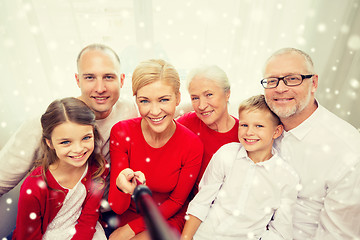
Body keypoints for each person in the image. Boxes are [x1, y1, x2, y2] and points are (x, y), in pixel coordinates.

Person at [261, 47, 360, 239]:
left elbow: (338, 235)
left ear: (313, 83)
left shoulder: (349, 151)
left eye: (292, 78)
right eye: (272, 81)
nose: (280, 88)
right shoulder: (258, 125)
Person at [108, 59, 203, 240]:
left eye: (164, 100)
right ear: (136, 100)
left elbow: (176, 201)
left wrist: (130, 229)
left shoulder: (192, 144)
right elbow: (117, 207)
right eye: (145, 101)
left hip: (167, 215)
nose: (155, 111)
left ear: (178, 98)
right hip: (129, 214)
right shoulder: (121, 132)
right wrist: (121, 188)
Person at [181, 94, 299, 240]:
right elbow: (201, 202)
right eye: (244, 125)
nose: (249, 132)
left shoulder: (287, 178)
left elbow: (281, 232)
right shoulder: (226, 154)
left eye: (259, 126)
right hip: (204, 235)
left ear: (276, 132)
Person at [12, 97, 107, 239]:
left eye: (86, 138)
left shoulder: (97, 168)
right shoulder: (33, 188)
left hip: (84, 232)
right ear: (50, 143)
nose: (78, 149)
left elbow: (89, 219)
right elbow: (27, 236)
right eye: (66, 142)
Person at [176, 65, 239, 193]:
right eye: (195, 98)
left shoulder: (244, 133)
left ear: (227, 94)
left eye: (209, 94)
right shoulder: (188, 122)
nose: (202, 106)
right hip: (188, 205)